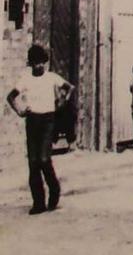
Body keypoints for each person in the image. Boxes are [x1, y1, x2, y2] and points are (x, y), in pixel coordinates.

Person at [5, 45, 75, 215]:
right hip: (32, 120)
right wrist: (20, 111)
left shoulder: (51, 77)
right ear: (31, 64)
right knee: (33, 162)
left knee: (44, 158)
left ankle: (54, 189)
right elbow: (11, 96)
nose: (40, 66)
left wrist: (62, 102)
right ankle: (38, 202)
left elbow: (69, 87)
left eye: (42, 63)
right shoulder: (25, 79)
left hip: (48, 120)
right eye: (36, 63)